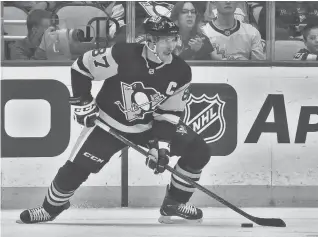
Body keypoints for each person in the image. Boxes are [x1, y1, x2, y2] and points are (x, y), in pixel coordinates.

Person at [19, 16, 211, 224]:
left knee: (198, 150)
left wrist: (160, 146)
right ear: (149, 40)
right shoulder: (122, 55)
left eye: (174, 39)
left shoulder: (181, 71)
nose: (171, 45)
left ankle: (174, 203)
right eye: (164, 39)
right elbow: (81, 67)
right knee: (75, 170)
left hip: (149, 125)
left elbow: (169, 113)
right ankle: (49, 209)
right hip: (108, 123)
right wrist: (84, 102)